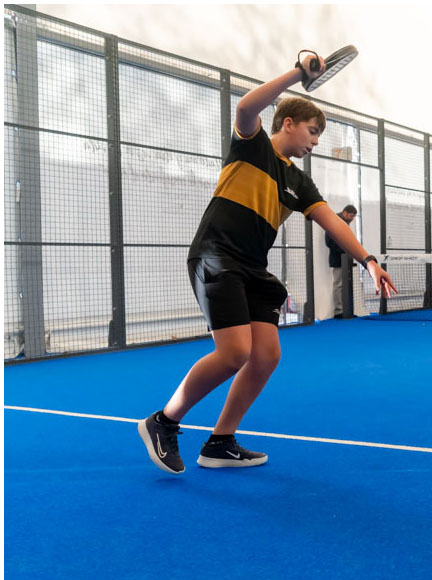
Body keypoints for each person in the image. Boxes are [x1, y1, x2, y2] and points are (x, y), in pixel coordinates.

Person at [138, 54, 397, 475]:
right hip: (217, 255)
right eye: (312, 131)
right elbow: (246, 107)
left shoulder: (300, 182)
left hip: (253, 269)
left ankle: (220, 442)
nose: (315, 142)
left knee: (266, 355)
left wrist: (367, 260)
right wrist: (299, 74)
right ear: (287, 123)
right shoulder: (251, 144)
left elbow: (334, 224)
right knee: (234, 353)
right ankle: (163, 422)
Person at [326, 204, 358, 318]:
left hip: (346, 259)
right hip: (338, 259)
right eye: (351, 216)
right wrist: (345, 250)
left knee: (346, 285)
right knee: (338, 285)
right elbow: (329, 242)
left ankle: (347, 310)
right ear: (345, 213)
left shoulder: (344, 222)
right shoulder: (334, 221)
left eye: (353, 216)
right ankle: (338, 311)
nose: (352, 219)